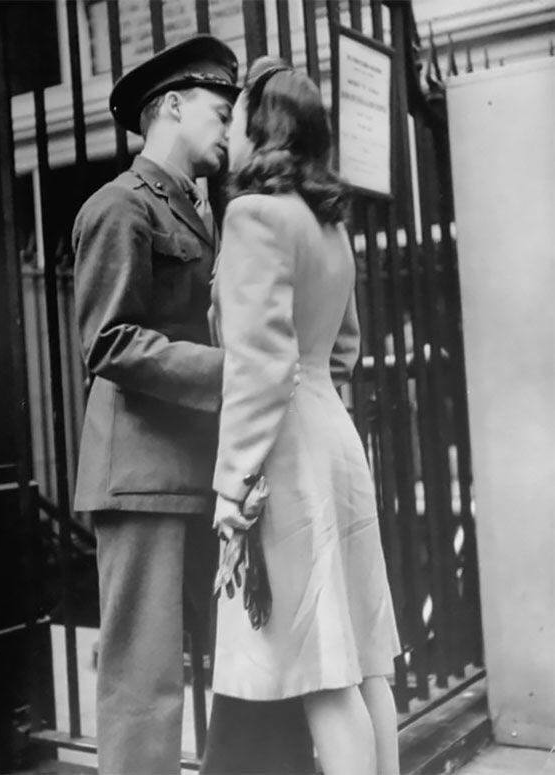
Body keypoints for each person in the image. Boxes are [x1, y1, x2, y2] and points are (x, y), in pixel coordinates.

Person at [72, 36, 313, 775]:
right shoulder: (119, 206)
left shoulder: (205, 212)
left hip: (197, 470)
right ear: (171, 108)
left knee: (232, 668)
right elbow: (107, 341)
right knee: (144, 685)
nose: (227, 127)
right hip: (140, 476)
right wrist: (233, 372)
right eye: (217, 110)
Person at [205, 57, 402, 775]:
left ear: (261, 125)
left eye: (237, 111)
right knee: (365, 661)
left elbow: (257, 368)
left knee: (321, 670)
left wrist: (231, 485)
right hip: (333, 435)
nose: (228, 122)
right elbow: (342, 348)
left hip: (287, 446)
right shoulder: (327, 225)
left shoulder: (254, 215)